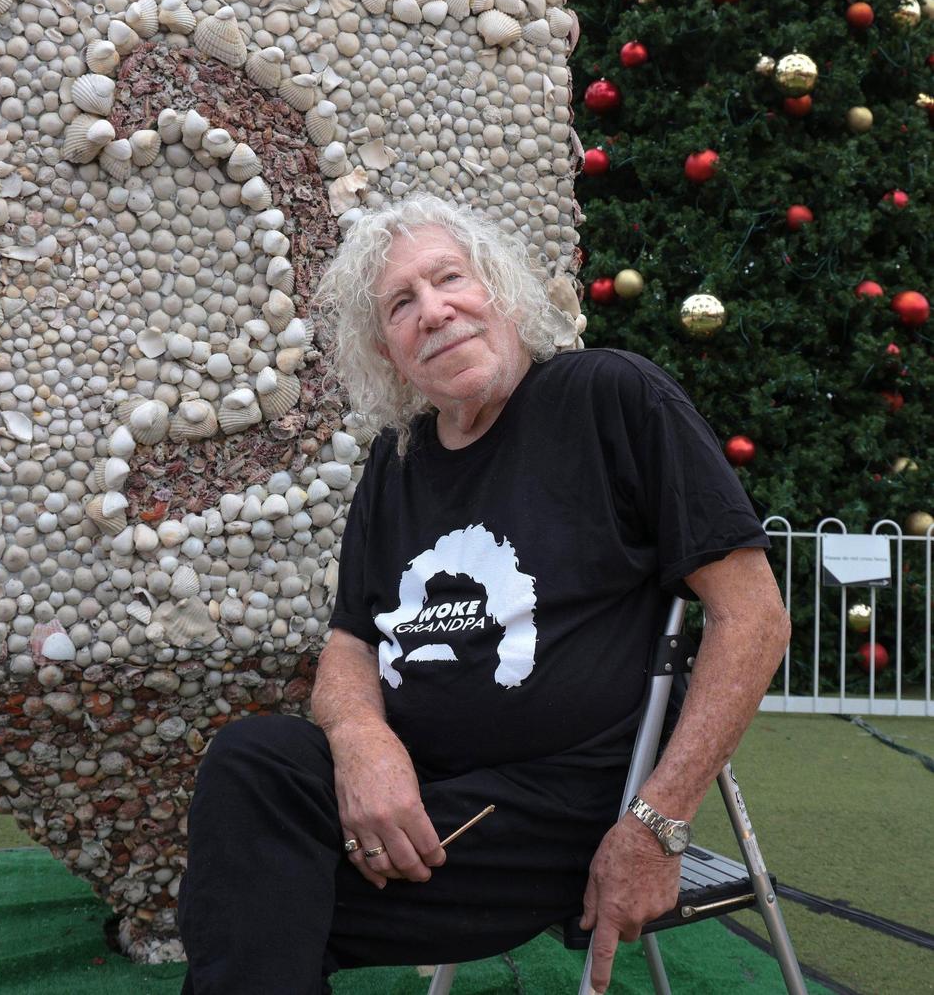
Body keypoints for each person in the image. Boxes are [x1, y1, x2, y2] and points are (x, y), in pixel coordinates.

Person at [177, 194, 790, 995]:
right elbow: (351, 641)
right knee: (253, 761)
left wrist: (657, 824)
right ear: (388, 351)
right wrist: (365, 740)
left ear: (499, 291)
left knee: (249, 907)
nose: (434, 311)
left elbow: (754, 616)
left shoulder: (610, 397)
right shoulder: (395, 465)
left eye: (449, 278)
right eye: (402, 303)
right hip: (422, 792)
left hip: (556, 804)